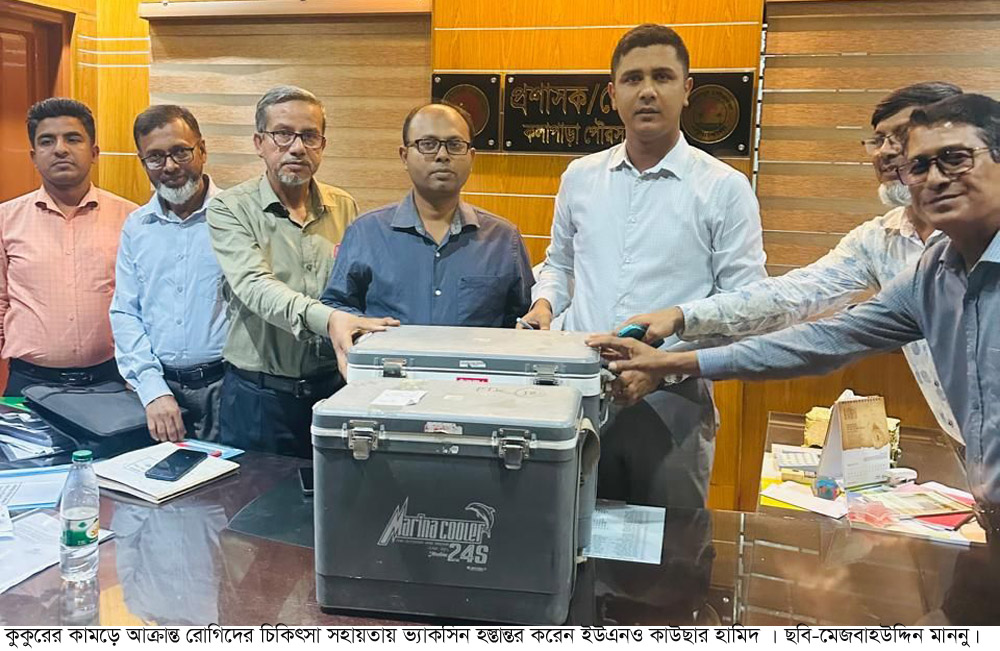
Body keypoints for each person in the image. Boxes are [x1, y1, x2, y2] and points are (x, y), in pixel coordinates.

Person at [588, 94, 1000, 538]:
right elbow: (817, 333)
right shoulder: (928, 269)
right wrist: (677, 335)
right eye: (916, 162)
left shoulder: (721, 185)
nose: (928, 174)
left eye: (954, 158)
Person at [613, 82, 963, 440]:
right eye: (878, 139)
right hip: (964, 438)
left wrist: (672, 360)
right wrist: (681, 316)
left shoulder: (975, 238)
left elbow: (836, 339)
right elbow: (794, 301)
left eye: (901, 136)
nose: (886, 152)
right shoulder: (878, 240)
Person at [520, 24, 767, 508]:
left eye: (662, 77)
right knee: (569, 534)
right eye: (633, 79)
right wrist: (544, 304)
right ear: (613, 94)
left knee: (669, 546)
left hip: (674, 402)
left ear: (687, 89)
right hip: (576, 394)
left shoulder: (724, 188)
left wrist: (661, 369)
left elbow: (746, 305)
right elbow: (559, 264)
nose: (648, 91)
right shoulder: (580, 177)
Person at [207, 86, 395, 457]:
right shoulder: (229, 209)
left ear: (322, 145)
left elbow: (359, 286)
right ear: (259, 143)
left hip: (333, 390)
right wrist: (330, 320)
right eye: (283, 134)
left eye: (309, 136)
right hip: (259, 399)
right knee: (257, 495)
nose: (297, 147)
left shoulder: (344, 206)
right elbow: (255, 286)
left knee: (335, 493)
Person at [320, 102, 533, 370]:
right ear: (404, 156)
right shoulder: (365, 232)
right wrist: (362, 334)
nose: (442, 155)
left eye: (454, 145)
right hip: (386, 386)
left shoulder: (503, 240)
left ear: (472, 157)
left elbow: (523, 321)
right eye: (428, 144)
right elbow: (336, 306)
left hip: (474, 388)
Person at [1, 98, 137, 396]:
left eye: (73, 139)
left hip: (112, 380)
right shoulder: (5, 220)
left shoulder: (131, 219)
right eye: (47, 141)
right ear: (34, 156)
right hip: (29, 383)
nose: (60, 149)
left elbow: (144, 303)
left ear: (94, 153)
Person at [110, 105, 225, 442]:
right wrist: (153, 390)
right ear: (142, 161)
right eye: (156, 157)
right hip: (158, 392)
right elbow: (125, 312)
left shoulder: (235, 217)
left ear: (202, 150)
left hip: (229, 389)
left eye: (180, 152)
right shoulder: (137, 227)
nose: (170, 166)